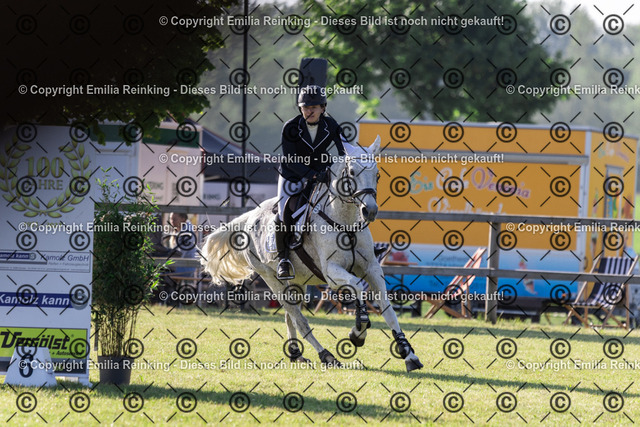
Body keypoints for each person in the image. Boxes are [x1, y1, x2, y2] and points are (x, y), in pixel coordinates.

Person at [276, 85, 347, 280]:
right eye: (305, 107)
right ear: (300, 108)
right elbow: (290, 159)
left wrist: (339, 168)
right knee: (283, 213)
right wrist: (312, 175)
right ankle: (283, 259)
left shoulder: (331, 125)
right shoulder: (291, 127)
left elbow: (345, 150)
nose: (309, 111)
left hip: (320, 171)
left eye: (314, 107)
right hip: (292, 175)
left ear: (323, 108)